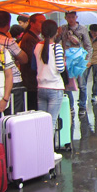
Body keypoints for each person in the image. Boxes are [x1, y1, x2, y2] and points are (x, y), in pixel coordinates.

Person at [33, 19, 65, 162]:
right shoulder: (57, 48)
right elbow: (60, 68)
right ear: (56, 31)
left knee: (42, 122)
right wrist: (64, 61)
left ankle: (40, 151)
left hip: (41, 88)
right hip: (54, 88)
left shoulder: (37, 47)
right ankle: (49, 153)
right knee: (51, 122)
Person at [0, 10, 28, 114]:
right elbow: (24, 58)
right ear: (8, 24)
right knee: (13, 115)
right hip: (12, 82)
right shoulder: (7, 41)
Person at [59, 11, 92, 116]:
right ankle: (70, 106)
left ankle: (82, 106)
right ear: (66, 18)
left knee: (82, 84)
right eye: (69, 17)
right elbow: (56, 41)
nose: (71, 19)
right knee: (67, 85)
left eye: (73, 17)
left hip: (80, 59)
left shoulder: (83, 29)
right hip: (67, 59)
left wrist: (87, 59)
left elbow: (88, 45)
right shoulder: (63, 29)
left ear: (76, 17)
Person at [19, 13, 46, 111]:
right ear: (32, 23)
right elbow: (33, 60)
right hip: (31, 82)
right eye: (41, 22)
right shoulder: (29, 38)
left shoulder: (34, 37)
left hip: (34, 82)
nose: (43, 25)